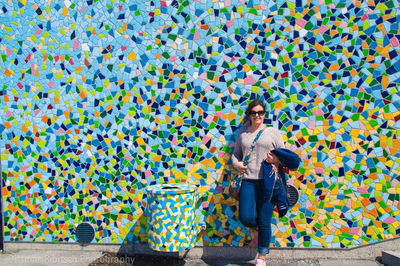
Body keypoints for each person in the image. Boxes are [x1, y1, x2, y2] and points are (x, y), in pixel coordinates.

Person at [231, 99, 285, 266]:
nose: (257, 115)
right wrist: (236, 164)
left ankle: (262, 257)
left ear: (264, 114)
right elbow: (235, 154)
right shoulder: (242, 133)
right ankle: (259, 229)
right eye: (254, 112)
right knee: (246, 217)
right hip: (248, 180)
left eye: (260, 112)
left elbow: (284, 154)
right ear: (249, 114)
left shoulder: (272, 132)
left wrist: (276, 160)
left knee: (264, 220)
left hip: (268, 182)